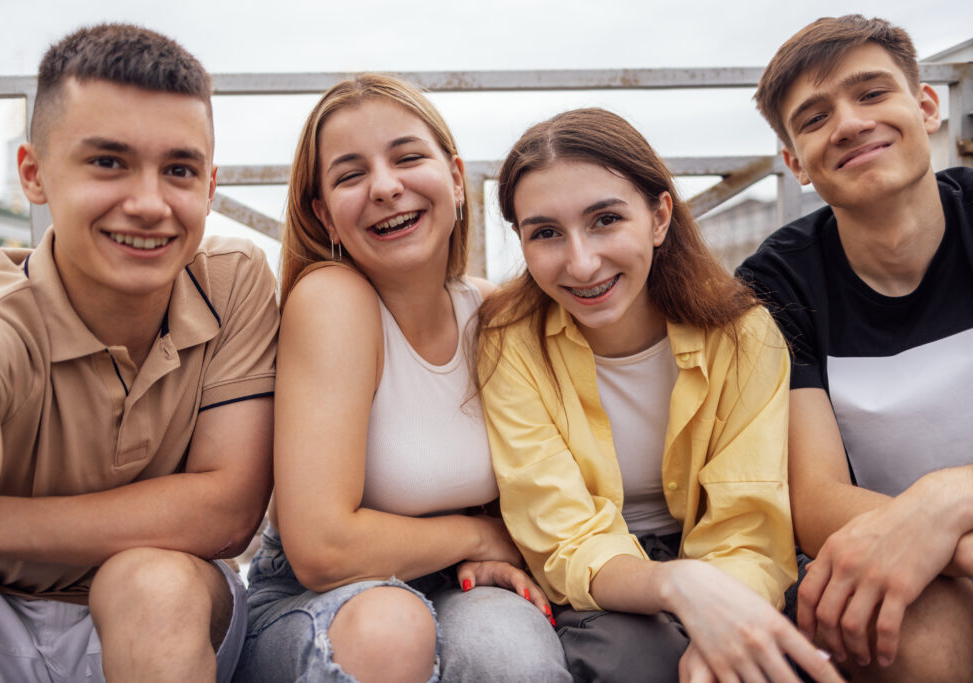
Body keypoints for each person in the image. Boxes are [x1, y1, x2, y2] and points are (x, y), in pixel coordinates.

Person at [0, 24, 279, 683]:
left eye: (179, 171)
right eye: (108, 162)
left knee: (151, 579)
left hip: (162, 620)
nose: (149, 203)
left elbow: (229, 511)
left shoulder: (233, 276)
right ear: (34, 174)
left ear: (210, 186)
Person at [478, 108, 843, 683]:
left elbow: (748, 529)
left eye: (605, 219)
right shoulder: (508, 344)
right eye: (545, 232)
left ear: (659, 216)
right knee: (634, 662)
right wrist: (678, 588)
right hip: (603, 579)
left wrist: (716, 622)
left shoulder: (743, 334)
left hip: (726, 564)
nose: (581, 262)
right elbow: (565, 536)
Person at [233, 73, 569, 683]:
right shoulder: (332, 300)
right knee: (393, 627)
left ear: (457, 179)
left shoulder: (491, 313)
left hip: (455, 578)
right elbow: (322, 548)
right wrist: (480, 534)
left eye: (408, 158)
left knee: (511, 656)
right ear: (324, 216)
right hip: (322, 605)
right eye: (349, 175)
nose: (385, 187)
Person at [737, 14, 973, 681]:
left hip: (933, 529)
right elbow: (814, 499)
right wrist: (932, 538)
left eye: (871, 93)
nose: (847, 124)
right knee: (912, 625)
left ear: (927, 106)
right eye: (813, 119)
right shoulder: (777, 281)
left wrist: (945, 499)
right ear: (795, 164)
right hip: (884, 555)